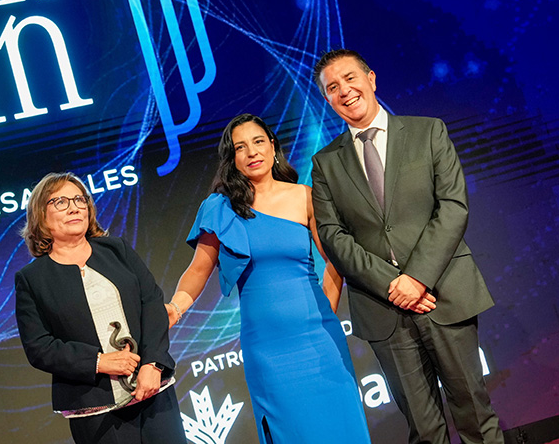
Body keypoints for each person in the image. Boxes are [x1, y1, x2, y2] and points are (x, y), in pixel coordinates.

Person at [310, 48, 503, 444]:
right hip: (383, 309)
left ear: (371, 79)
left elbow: (452, 207)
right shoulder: (325, 163)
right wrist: (392, 285)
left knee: (475, 415)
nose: (344, 91)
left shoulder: (428, 132)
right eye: (332, 87)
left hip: (443, 295)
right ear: (327, 99)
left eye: (350, 78)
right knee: (424, 429)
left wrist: (416, 278)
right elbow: (333, 235)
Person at [166, 114, 372, 443]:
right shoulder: (219, 208)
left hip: (320, 339)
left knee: (341, 428)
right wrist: (175, 308)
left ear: (273, 146)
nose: (252, 152)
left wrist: (327, 312)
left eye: (259, 141)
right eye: (240, 147)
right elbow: (197, 270)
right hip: (268, 350)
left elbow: (336, 261)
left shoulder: (304, 196)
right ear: (232, 159)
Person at [14, 172, 187, 444]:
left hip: (153, 391)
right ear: (40, 215)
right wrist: (97, 362)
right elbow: (39, 346)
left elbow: (152, 303)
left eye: (79, 199)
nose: (74, 208)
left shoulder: (117, 249)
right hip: (95, 409)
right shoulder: (32, 279)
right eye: (60, 202)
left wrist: (153, 364)